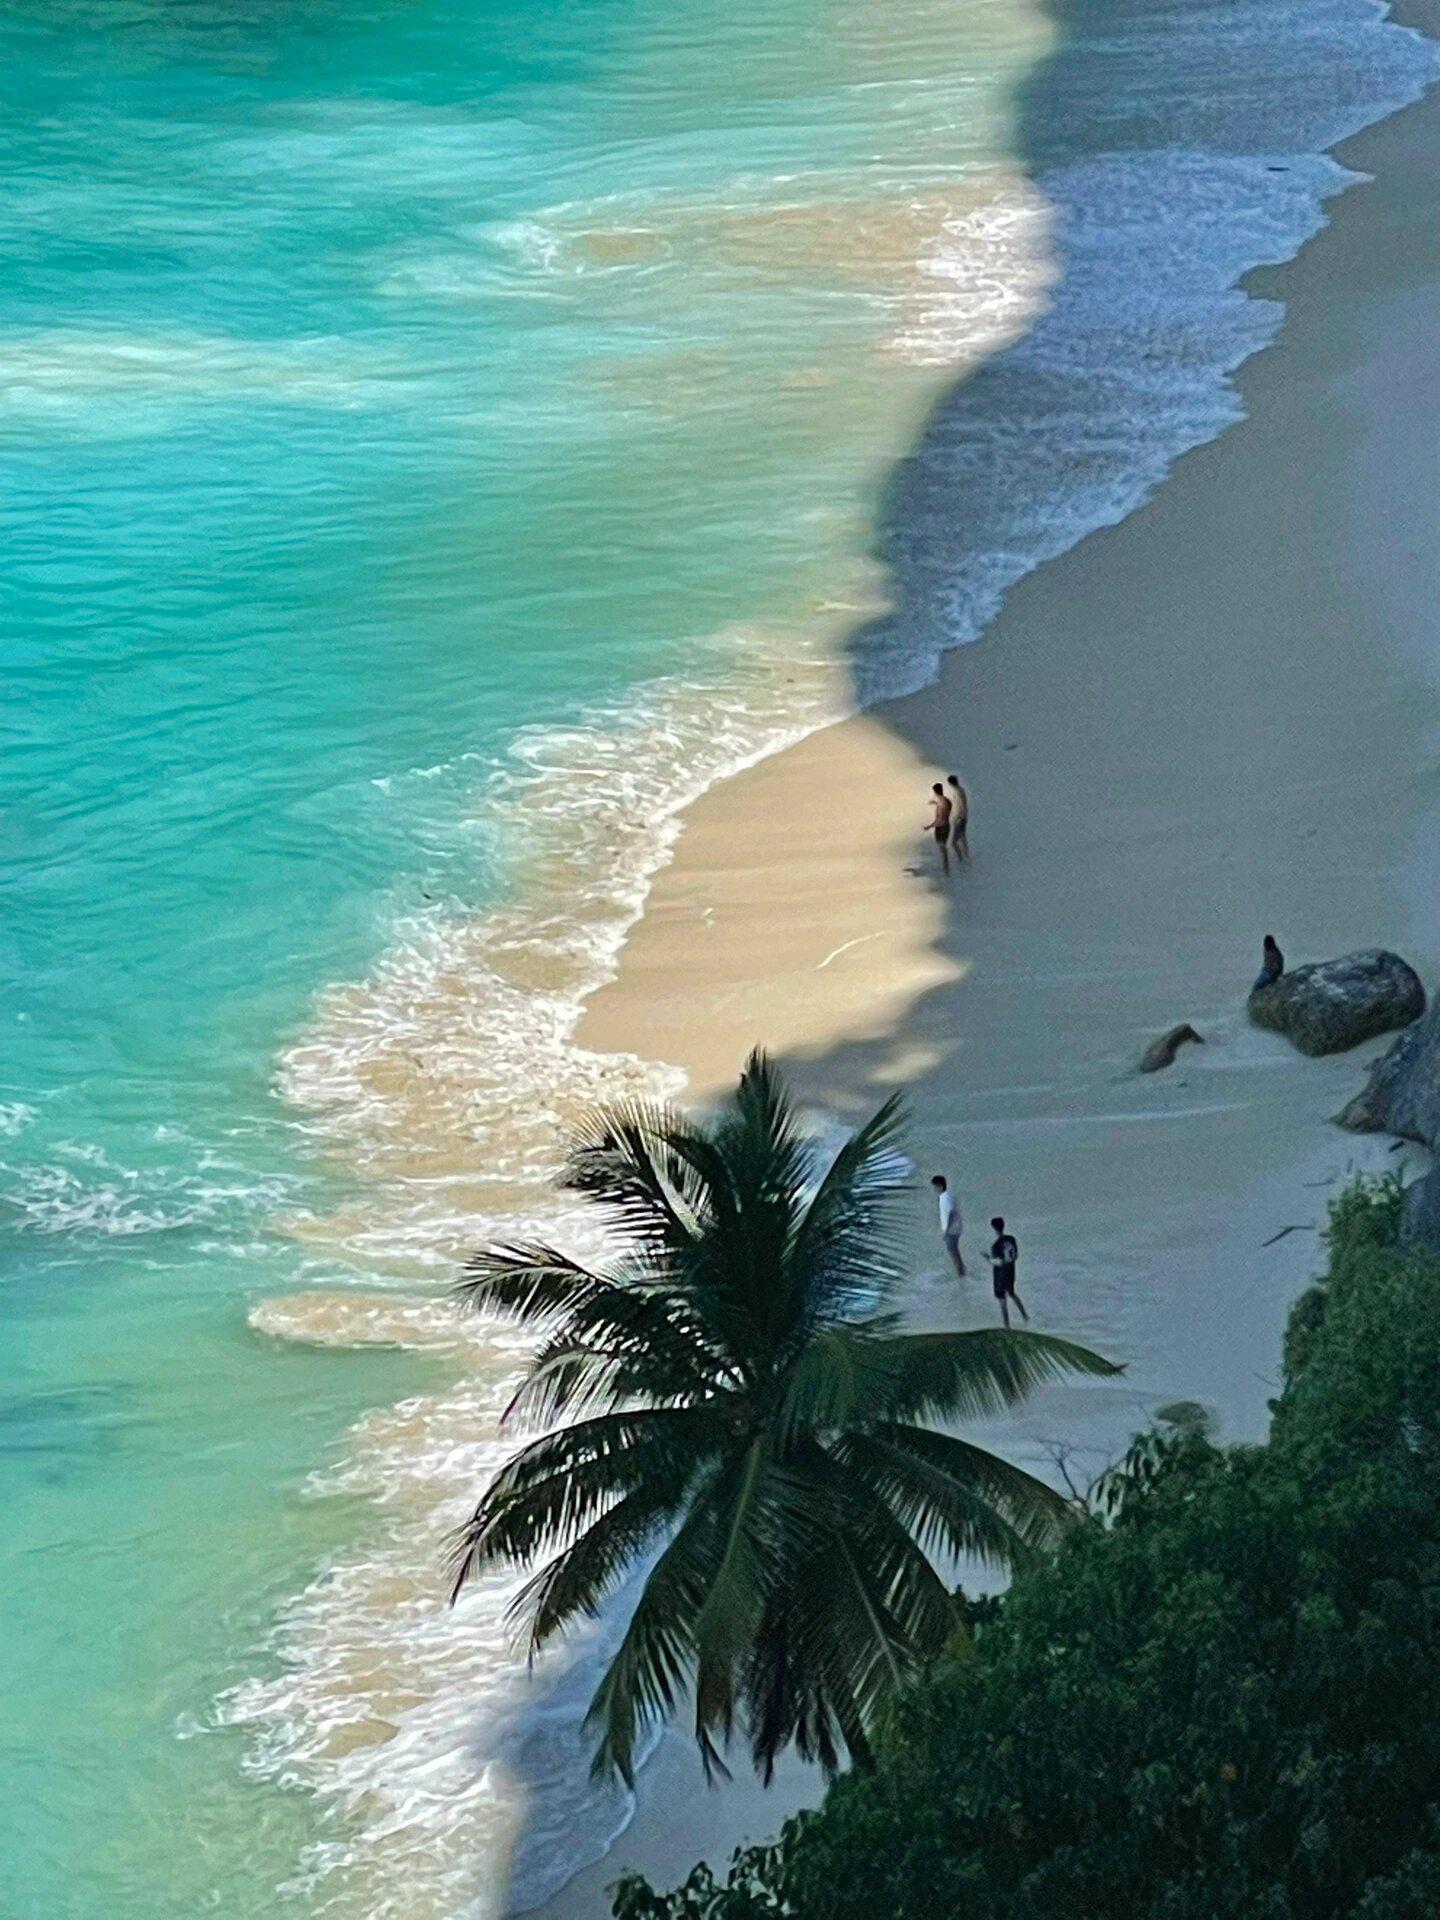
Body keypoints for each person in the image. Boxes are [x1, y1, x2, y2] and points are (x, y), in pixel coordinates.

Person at [988, 1215, 1028, 1327]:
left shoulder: (996, 1246)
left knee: (1002, 1300)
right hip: (1011, 1270)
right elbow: (1015, 1255)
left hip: (1001, 1274)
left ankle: (1006, 1325)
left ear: (994, 1229)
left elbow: (998, 1262)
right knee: (1011, 1293)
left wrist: (988, 1259)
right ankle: (1024, 1315)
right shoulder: (1011, 1239)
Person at [931, 1174, 965, 1276]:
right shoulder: (949, 1195)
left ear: (940, 1186)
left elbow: (949, 1214)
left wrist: (946, 1231)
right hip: (956, 1228)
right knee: (955, 1252)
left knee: (953, 1252)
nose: (934, 1189)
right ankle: (961, 1271)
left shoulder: (944, 1197)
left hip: (951, 1230)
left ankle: (960, 1272)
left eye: (935, 1187)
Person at [924, 782, 953, 876]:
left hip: (941, 828)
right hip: (947, 826)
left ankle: (946, 869)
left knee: (942, 848)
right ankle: (946, 867)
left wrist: (929, 826)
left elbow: (940, 820)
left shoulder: (940, 804)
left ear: (935, 792)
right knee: (942, 847)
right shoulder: (947, 801)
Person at [946, 773, 970, 862]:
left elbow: (962, 806)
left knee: (954, 842)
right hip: (961, 818)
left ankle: (962, 860)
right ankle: (967, 858)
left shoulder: (958, 792)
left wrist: (959, 817)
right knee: (963, 839)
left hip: (960, 819)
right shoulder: (960, 791)